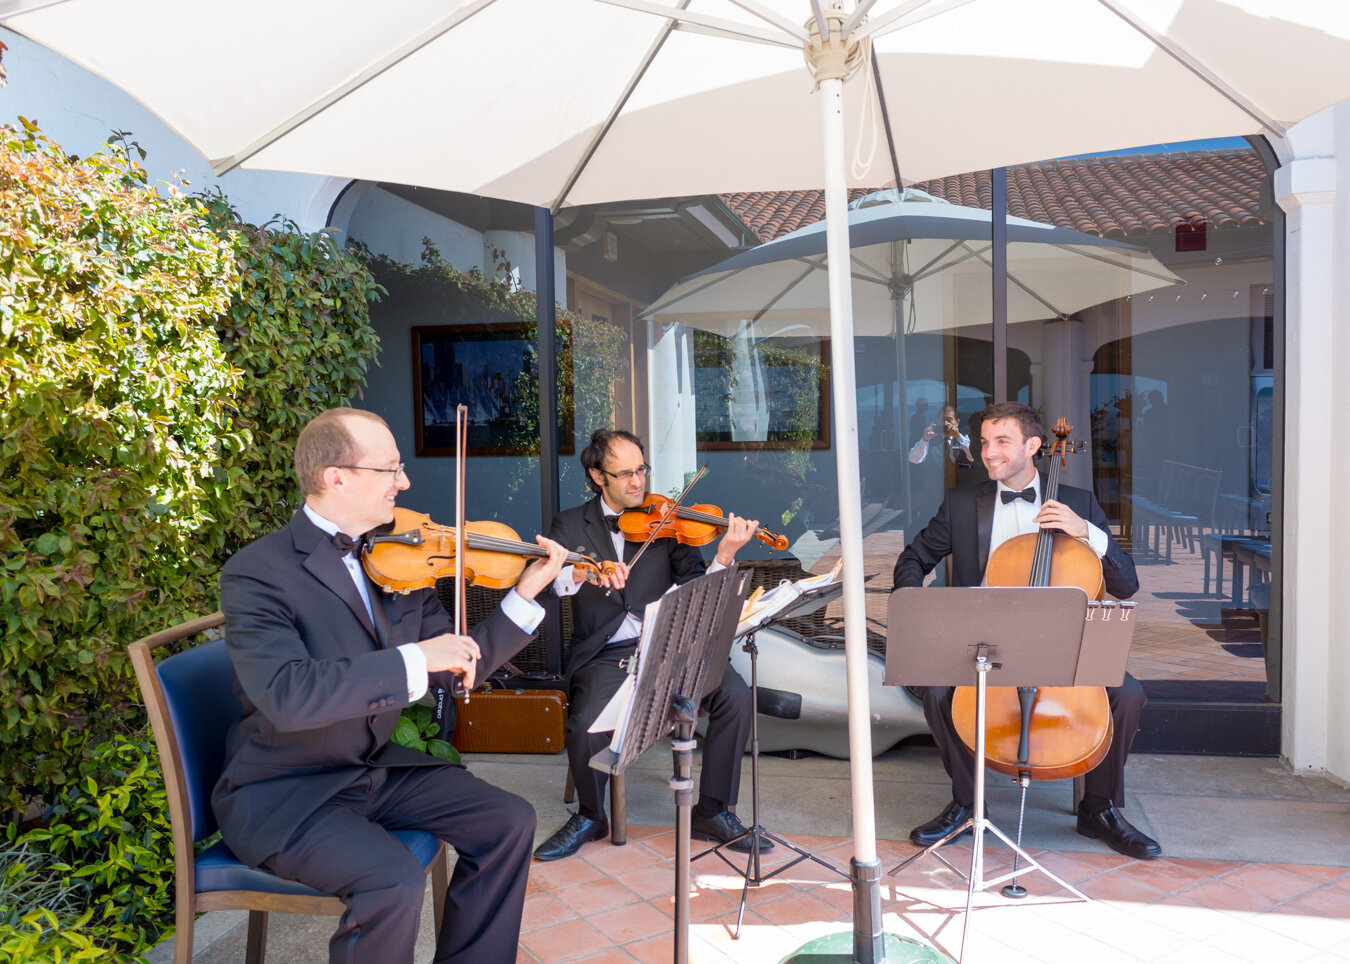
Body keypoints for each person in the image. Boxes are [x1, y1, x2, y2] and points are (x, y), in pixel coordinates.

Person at [212, 407, 569, 964]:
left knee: (509, 821)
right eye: (390, 470)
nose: (404, 484)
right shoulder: (257, 572)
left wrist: (526, 595)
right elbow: (286, 693)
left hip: (372, 768)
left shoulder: (397, 557)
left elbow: (456, 663)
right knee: (392, 881)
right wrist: (414, 657)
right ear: (337, 476)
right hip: (289, 790)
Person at [892, 401, 1160, 861]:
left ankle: (1100, 808)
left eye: (1001, 442)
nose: (988, 453)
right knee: (937, 690)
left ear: (1034, 446)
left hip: (1062, 648)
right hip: (985, 646)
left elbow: (1125, 583)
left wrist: (1086, 533)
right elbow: (912, 559)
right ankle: (967, 802)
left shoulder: (1077, 503)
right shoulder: (962, 504)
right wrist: (919, 603)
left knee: (1127, 693)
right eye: (984, 442)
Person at [532, 428, 768, 861]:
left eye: (641, 470)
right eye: (624, 474)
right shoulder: (569, 524)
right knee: (584, 725)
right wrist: (582, 573)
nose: (638, 482)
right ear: (597, 476)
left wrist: (726, 555)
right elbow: (543, 588)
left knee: (735, 694)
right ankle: (590, 815)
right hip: (606, 654)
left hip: (672, 645)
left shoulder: (668, 519)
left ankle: (713, 810)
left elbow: (698, 587)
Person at [908, 404, 973, 466]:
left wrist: (958, 436)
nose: (945, 423)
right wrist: (924, 440)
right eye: (942, 419)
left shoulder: (965, 439)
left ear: (957, 422)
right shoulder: (929, 441)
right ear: (937, 421)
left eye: (949, 419)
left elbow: (974, 456)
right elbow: (914, 460)